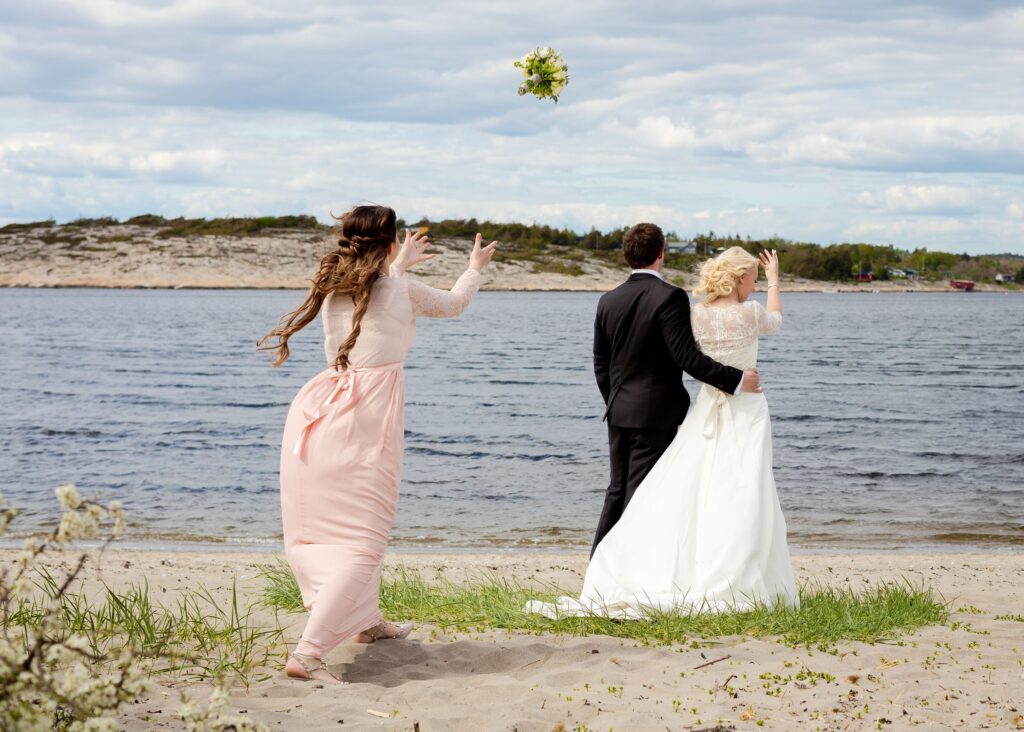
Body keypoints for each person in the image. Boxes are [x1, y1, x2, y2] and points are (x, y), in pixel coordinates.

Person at [258, 205, 496, 682]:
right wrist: (474, 268)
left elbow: (377, 299)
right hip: (363, 421)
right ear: (389, 245)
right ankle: (307, 655)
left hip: (319, 412)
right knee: (365, 537)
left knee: (331, 529)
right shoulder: (398, 287)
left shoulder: (335, 288)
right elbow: (453, 303)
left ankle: (366, 622)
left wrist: (396, 264)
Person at [528, 243, 797, 618]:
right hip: (744, 407)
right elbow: (775, 322)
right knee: (742, 489)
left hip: (683, 408)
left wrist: (616, 398)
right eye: (752, 278)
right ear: (740, 278)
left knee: (681, 489)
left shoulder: (694, 314)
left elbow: (628, 358)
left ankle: (620, 565)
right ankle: (734, 569)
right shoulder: (751, 312)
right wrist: (774, 282)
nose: (753, 285)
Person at [589, 224, 761, 556]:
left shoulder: (608, 300)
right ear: (661, 254)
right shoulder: (670, 296)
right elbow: (687, 358)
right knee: (645, 492)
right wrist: (738, 379)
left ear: (628, 255)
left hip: (618, 409)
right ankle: (627, 569)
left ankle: (599, 563)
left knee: (616, 489)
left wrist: (615, 398)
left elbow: (601, 361)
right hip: (656, 413)